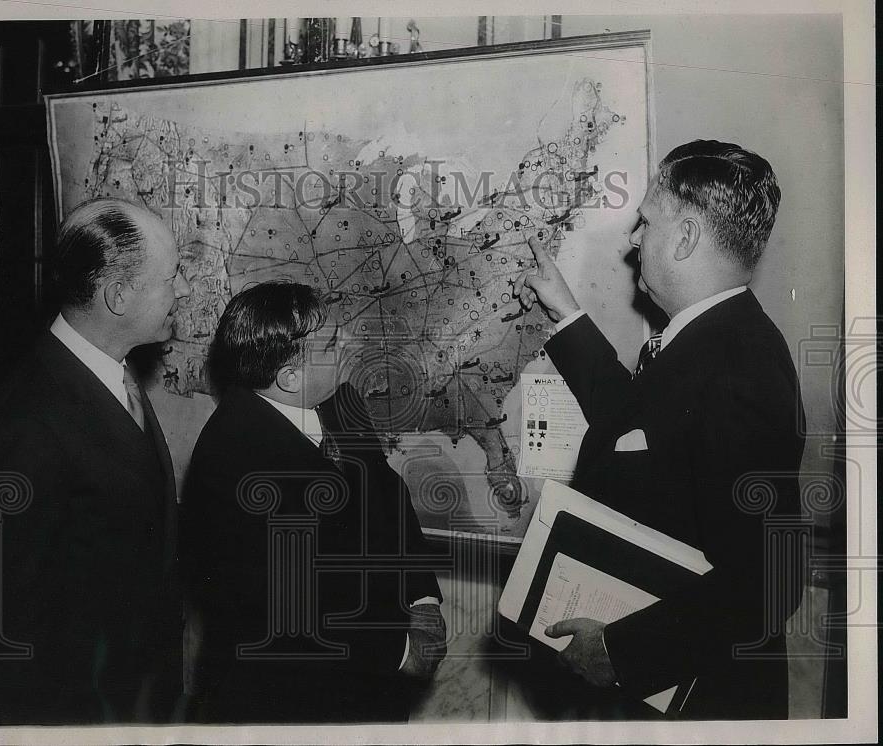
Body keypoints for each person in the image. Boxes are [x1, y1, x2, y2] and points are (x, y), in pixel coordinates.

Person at [513, 141, 806, 718]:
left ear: (686, 236)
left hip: (698, 708)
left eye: (644, 222)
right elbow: (638, 423)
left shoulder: (741, 367)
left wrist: (623, 652)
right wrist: (566, 313)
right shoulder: (711, 338)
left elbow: (771, 583)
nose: (632, 241)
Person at [0, 198, 191, 723]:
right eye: (169, 278)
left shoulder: (108, 373)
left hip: (134, 702)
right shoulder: (28, 423)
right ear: (117, 296)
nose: (180, 292)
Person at [180, 281, 447, 723]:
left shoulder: (338, 400)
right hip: (293, 704)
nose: (347, 342)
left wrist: (421, 599)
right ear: (290, 377)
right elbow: (293, 610)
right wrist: (400, 651)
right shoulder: (235, 461)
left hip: (366, 689)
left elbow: (388, 494)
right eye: (331, 342)